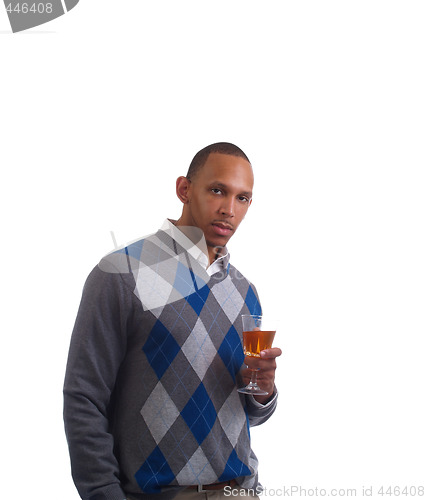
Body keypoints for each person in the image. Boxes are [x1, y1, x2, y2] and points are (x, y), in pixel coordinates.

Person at [63, 142, 282, 500]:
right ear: (184, 189)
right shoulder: (121, 274)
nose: (229, 209)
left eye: (242, 199)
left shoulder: (246, 292)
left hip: (241, 493)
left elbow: (250, 412)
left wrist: (263, 389)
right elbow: (83, 398)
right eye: (217, 190)